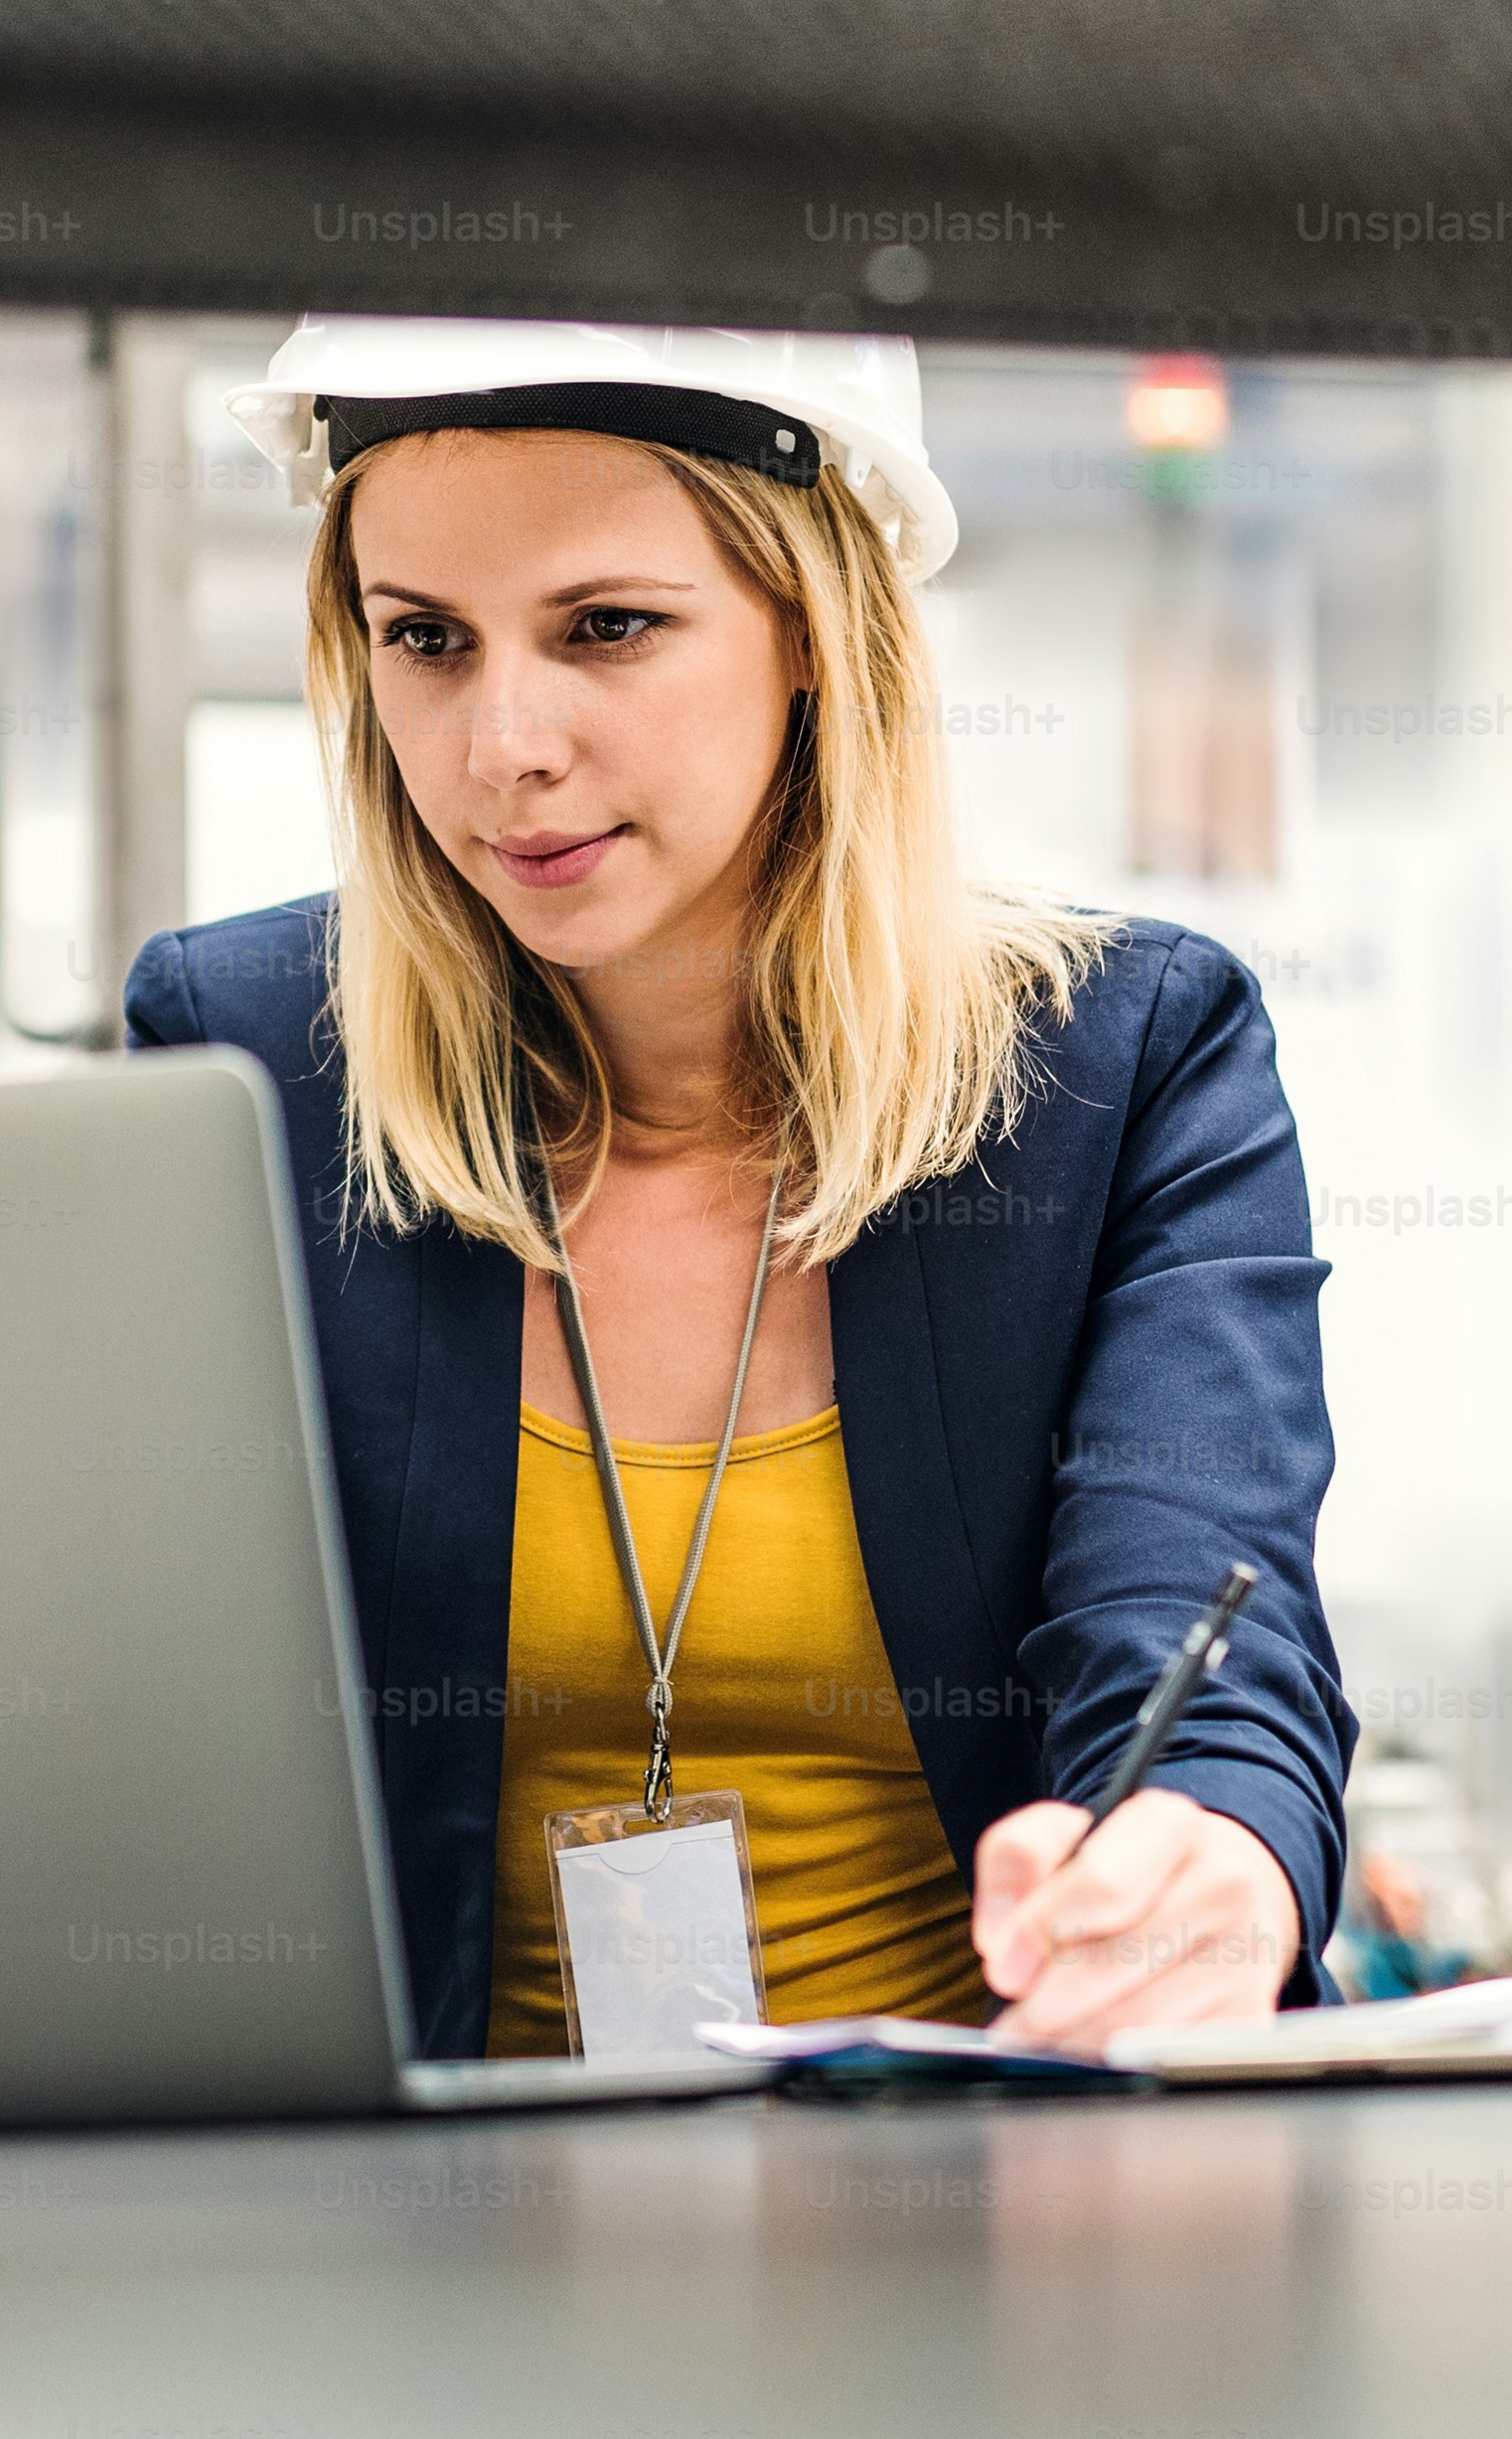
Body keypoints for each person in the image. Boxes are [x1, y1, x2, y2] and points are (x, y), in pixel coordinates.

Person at [125, 320, 1352, 2060]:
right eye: (425, 641)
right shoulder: (243, 1065)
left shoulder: (1117, 1066)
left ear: (812, 630)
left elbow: (1202, 1619)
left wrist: (1205, 1853)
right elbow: (147, 1717)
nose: (504, 746)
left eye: (606, 626)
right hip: (430, 2258)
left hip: (986, 2230)